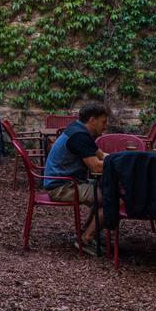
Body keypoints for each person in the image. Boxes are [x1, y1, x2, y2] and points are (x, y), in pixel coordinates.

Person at [42, 102, 110, 255]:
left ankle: (85, 233)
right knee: (113, 198)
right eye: (103, 122)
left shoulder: (78, 129)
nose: (105, 127)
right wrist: (121, 165)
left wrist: (120, 158)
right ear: (92, 120)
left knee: (108, 190)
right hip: (62, 187)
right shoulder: (79, 136)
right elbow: (96, 167)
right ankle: (85, 239)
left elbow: (102, 156)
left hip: (66, 182)